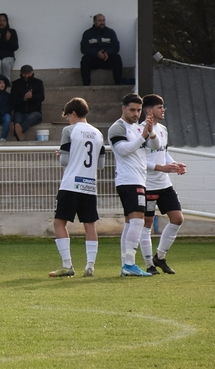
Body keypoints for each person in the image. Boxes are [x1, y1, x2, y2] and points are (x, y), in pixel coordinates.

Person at [49, 97, 106, 278]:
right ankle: (90, 266)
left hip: (71, 184)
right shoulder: (98, 133)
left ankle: (67, 265)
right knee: (89, 224)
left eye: (68, 116)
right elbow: (100, 165)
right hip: (89, 185)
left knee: (59, 222)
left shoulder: (69, 131)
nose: (68, 120)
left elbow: (64, 161)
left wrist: (65, 155)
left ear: (73, 113)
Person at [108, 93, 160, 277]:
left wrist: (150, 129)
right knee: (138, 220)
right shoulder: (117, 127)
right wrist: (142, 136)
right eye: (132, 110)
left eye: (138, 110)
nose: (136, 113)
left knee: (131, 223)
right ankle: (129, 264)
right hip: (128, 180)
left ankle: (126, 264)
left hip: (137, 179)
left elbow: (156, 144)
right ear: (123, 108)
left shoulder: (138, 128)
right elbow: (123, 150)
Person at [141, 94, 186, 275]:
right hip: (147, 185)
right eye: (160, 107)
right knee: (147, 223)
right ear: (150, 110)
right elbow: (138, 160)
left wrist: (174, 165)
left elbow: (163, 153)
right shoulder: (140, 131)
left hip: (164, 184)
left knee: (177, 218)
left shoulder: (163, 129)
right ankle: (148, 265)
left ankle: (159, 257)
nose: (163, 110)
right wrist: (161, 167)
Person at [80, 14, 123, 85]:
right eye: (99, 21)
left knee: (117, 58)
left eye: (103, 20)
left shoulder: (110, 32)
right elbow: (83, 48)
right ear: (94, 21)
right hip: (94, 60)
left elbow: (116, 47)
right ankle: (86, 85)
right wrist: (96, 53)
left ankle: (118, 84)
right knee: (85, 59)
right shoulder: (87, 33)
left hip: (107, 59)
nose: (102, 23)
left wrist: (107, 53)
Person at [9, 65, 45, 141]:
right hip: (20, 111)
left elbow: (41, 97)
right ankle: (18, 130)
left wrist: (32, 97)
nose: (26, 75)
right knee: (17, 120)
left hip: (35, 111)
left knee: (30, 119)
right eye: (24, 73)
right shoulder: (16, 84)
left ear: (32, 73)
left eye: (28, 73)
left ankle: (17, 131)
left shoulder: (38, 83)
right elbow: (13, 100)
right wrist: (24, 98)